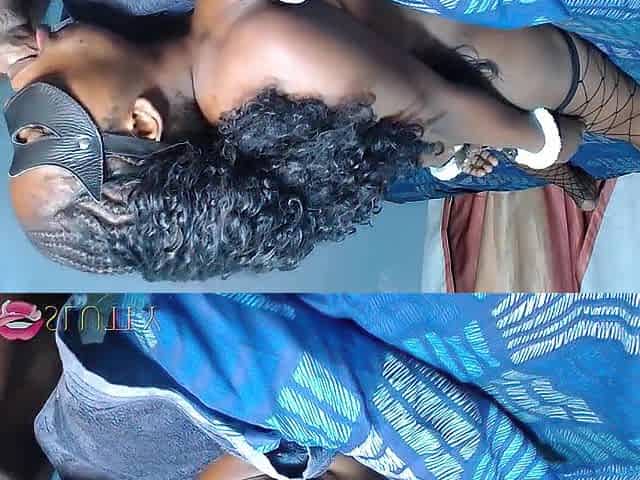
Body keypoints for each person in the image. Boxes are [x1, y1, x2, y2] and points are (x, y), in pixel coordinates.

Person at [3, 0, 638, 281]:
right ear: (143, 125)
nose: (17, 76)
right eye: (41, 112)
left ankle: (570, 180)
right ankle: (570, 174)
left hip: (459, 91)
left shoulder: (225, 84)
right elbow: (439, 105)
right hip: (522, 75)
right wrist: (540, 141)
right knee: (622, 122)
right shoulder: (254, 49)